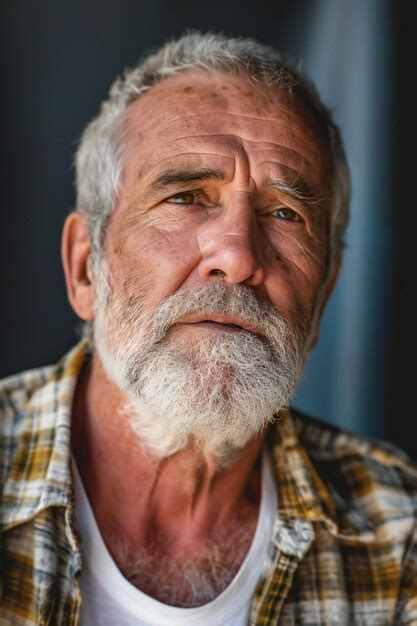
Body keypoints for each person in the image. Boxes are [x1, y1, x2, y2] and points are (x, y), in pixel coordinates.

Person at [1, 32, 415, 626]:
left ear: (323, 295)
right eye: (187, 197)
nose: (239, 256)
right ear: (83, 267)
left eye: (283, 213)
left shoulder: (399, 533)